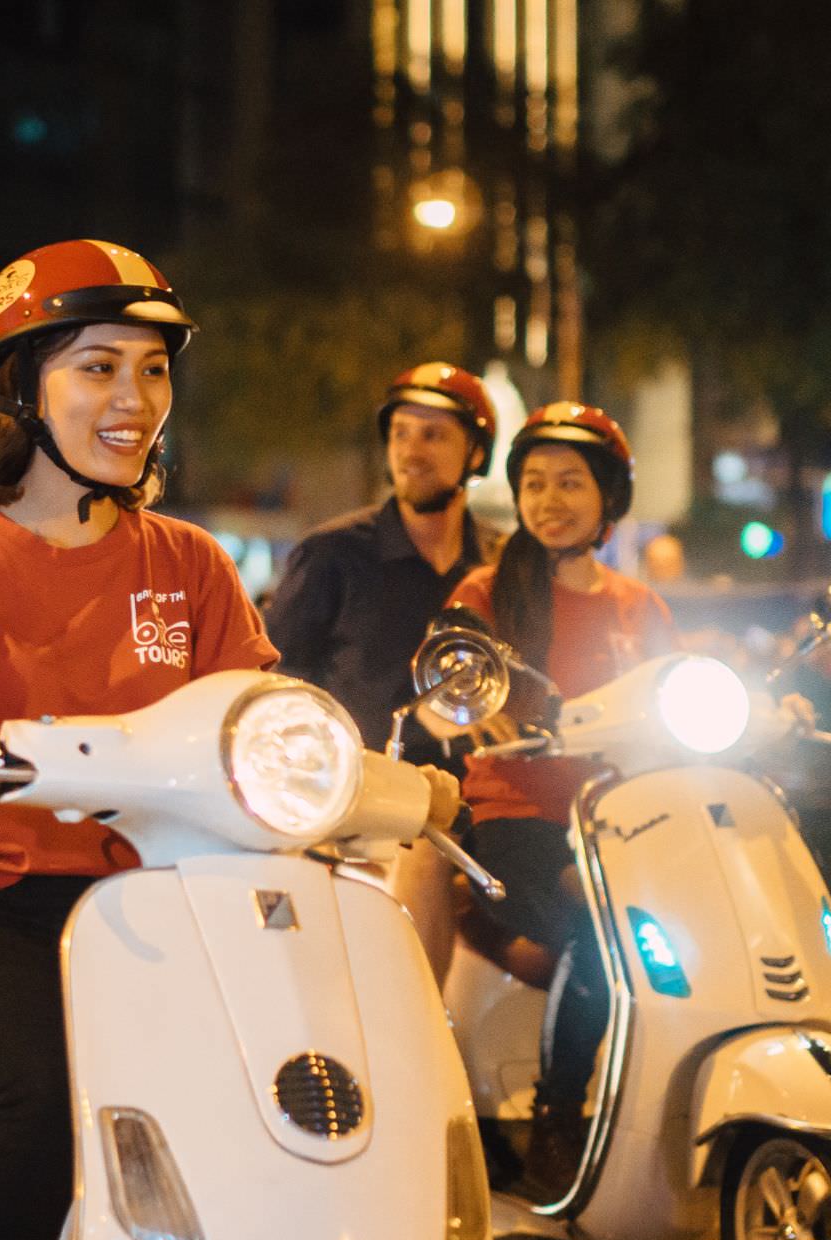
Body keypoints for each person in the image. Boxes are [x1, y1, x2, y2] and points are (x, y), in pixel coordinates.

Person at [0, 240, 282, 1240]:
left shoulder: (190, 561)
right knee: (43, 1095)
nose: (133, 398)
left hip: (159, 897)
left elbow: (255, 718)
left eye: (152, 369)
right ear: (20, 386)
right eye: (97, 366)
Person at [443, 402, 677, 1197]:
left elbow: (679, 695)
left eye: (570, 483)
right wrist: (469, 702)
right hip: (518, 820)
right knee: (604, 928)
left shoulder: (639, 607)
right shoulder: (485, 595)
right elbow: (446, 682)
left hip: (624, 822)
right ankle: (558, 1115)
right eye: (534, 482)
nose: (549, 499)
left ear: (609, 496)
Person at [264, 361, 495, 976]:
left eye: (434, 435)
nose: (412, 452)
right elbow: (274, 688)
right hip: (367, 804)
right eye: (401, 434)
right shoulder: (333, 555)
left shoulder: (503, 564)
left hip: (491, 801)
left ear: (476, 454)